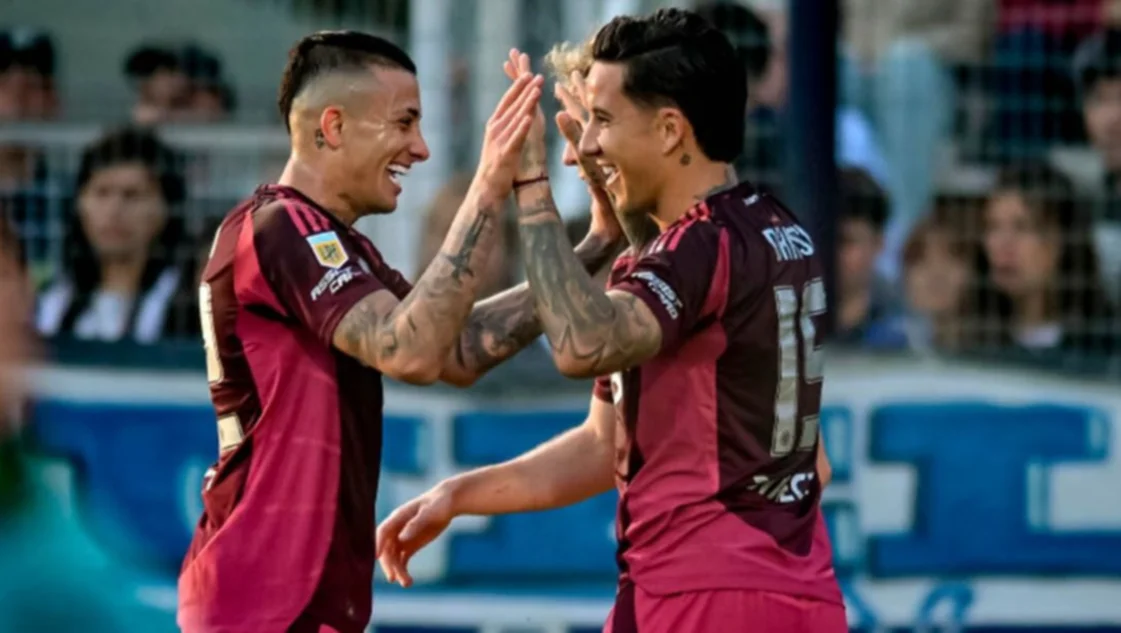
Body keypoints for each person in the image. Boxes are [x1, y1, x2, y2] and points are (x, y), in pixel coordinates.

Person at [377, 9, 845, 633]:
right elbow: (606, 445)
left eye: (603, 120)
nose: (588, 146)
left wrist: (531, 184)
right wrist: (459, 495)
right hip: (800, 592)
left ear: (671, 130)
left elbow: (580, 346)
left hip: (701, 595)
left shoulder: (697, 249)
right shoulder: (773, 228)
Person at [177, 31, 622, 633]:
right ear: (333, 126)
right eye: (404, 122)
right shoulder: (283, 228)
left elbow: (455, 349)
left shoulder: (335, 244)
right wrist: (489, 184)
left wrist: (595, 246)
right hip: (264, 593)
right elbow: (406, 350)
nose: (421, 148)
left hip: (291, 594)